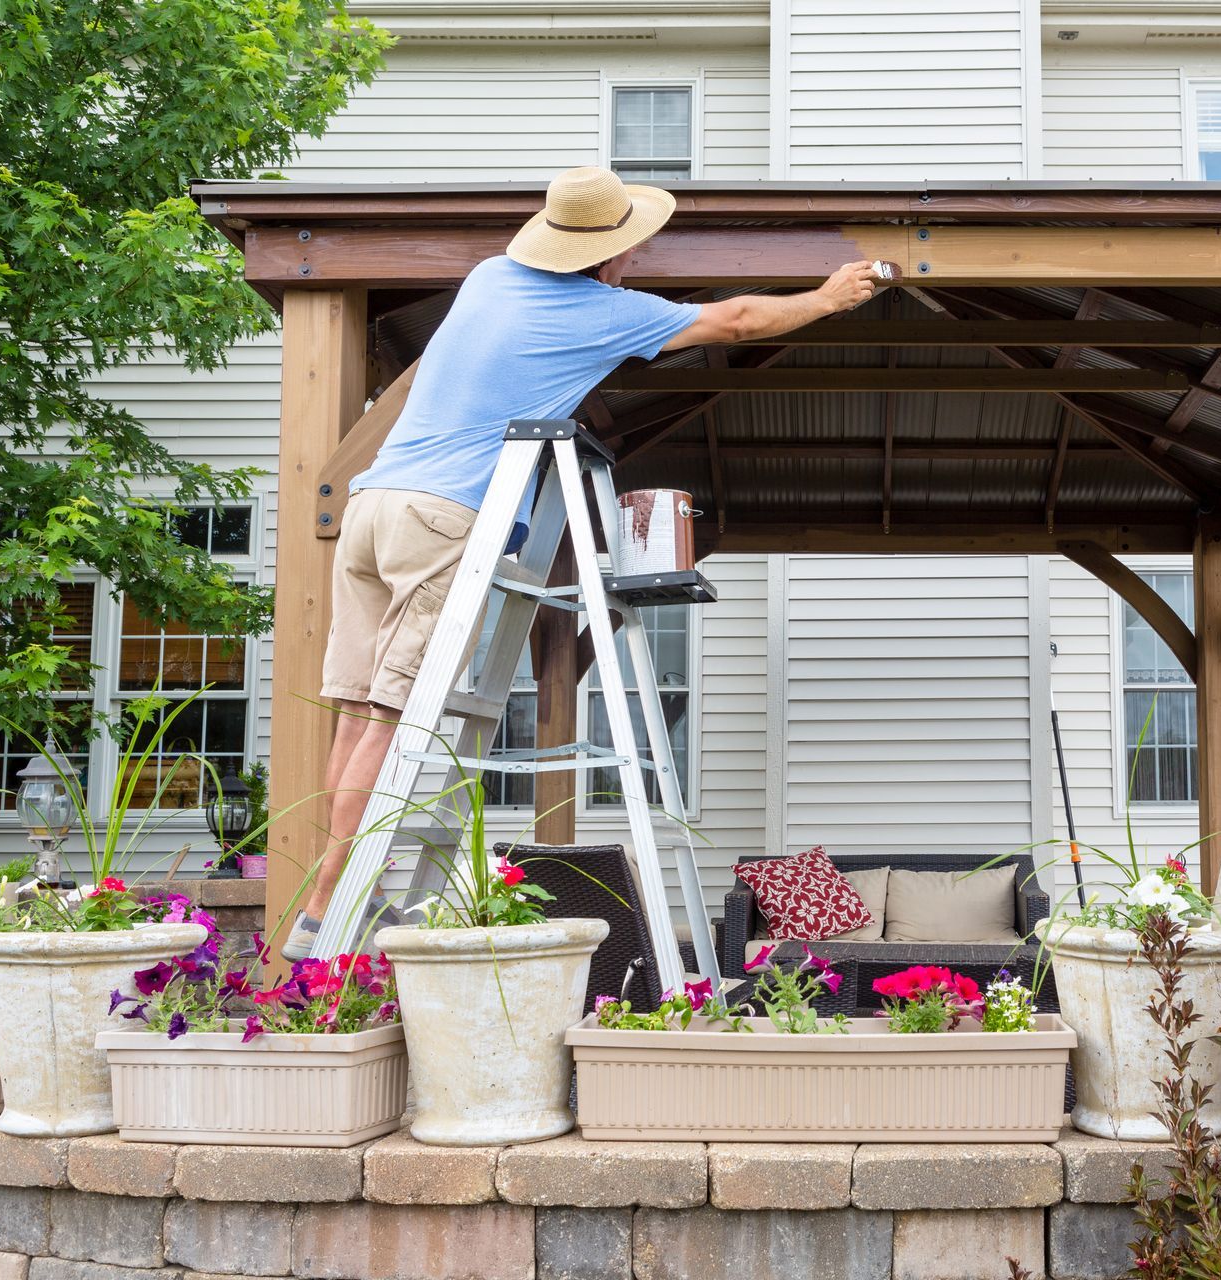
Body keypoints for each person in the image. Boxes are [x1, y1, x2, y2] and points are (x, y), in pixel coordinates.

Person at [285, 166, 879, 959]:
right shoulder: (601, 311)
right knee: (393, 720)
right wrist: (827, 298)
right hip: (442, 513)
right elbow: (734, 320)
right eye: (631, 248)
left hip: (372, 503)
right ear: (611, 255)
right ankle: (330, 905)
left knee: (358, 712)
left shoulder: (490, 277)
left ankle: (326, 897)